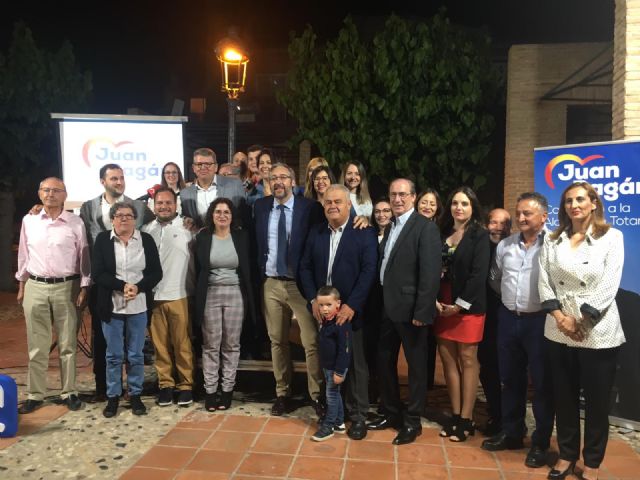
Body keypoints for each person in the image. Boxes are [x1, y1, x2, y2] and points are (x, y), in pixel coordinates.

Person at [539, 182, 625, 480]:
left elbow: (609, 283)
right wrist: (560, 317)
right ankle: (566, 455)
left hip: (597, 331)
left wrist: (581, 321)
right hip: (558, 329)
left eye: (579, 199)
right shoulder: (552, 239)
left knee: (597, 404)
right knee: (564, 399)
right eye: (568, 201)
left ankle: (592, 463)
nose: (573, 205)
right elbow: (544, 280)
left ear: (593, 203)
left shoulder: (612, 237)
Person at [482, 194, 554, 470]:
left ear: (544, 217)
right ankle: (512, 432)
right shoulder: (506, 245)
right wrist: (511, 300)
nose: (521, 218)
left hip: (540, 321)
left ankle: (541, 442)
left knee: (542, 384)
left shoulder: (554, 244)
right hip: (509, 319)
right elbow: (495, 279)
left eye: (528, 213)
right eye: (519, 213)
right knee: (510, 379)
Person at [300, 184, 378, 440]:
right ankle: (336, 414)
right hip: (324, 313)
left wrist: (352, 305)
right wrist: (313, 299)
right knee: (331, 361)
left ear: (349, 205)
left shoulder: (363, 232)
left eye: (338, 202)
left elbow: (369, 271)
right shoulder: (316, 232)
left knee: (355, 365)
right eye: (328, 202)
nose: (332, 206)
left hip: (352, 311)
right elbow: (305, 267)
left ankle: (359, 415)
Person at [367, 178, 441, 445]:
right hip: (387, 308)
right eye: (393, 194)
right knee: (384, 360)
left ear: (413, 197)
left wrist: (423, 311)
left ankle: (413, 421)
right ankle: (390, 411)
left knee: (416, 368)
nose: (397, 199)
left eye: (402, 194)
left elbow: (430, 274)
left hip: (412, 311)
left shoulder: (425, 227)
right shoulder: (391, 226)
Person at [253, 163, 325, 417]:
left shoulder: (309, 208)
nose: (278, 182)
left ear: (293, 181)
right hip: (271, 283)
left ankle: (317, 395)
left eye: (283, 177)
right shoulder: (261, 207)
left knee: (311, 341)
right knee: (277, 340)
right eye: (273, 178)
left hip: (300, 284)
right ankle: (282, 393)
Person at [80, 163, 154, 401]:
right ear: (103, 181)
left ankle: (134, 392)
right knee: (103, 342)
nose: (119, 182)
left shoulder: (138, 207)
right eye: (114, 178)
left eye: (121, 177)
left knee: (134, 348)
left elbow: (156, 224)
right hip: (102, 283)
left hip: (135, 286)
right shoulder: (88, 207)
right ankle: (106, 390)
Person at [15, 177, 90, 413]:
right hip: (35, 286)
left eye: (56, 190)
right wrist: (21, 285)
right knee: (37, 345)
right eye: (46, 190)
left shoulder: (76, 222)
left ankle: (69, 392)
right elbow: (24, 255)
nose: (51, 194)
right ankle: (35, 394)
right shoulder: (29, 220)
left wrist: (85, 287)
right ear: (39, 193)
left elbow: (84, 257)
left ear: (65, 195)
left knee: (67, 344)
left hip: (67, 287)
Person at [91, 202, 162, 418]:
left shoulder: (145, 240)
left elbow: (156, 272)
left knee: (135, 354)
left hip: (138, 305)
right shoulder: (103, 240)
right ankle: (113, 396)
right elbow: (98, 273)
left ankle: (135, 394)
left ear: (135, 219)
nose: (124, 219)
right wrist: (122, 286)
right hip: (111, 306)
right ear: (112, 219)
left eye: (129, 215)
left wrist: (138, 287)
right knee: (113, 355)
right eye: (119, 215)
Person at [434, 186, 490, 442]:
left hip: (467, 306)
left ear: (473, 207)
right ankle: (455, 415)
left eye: (464, 203)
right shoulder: (442, 231)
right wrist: (434, 301)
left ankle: (467, 419)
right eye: (455, 203)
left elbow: (479, 275)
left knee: (468, 360)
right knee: (448, 360)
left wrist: (458, 305)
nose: (459, 208)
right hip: (441, 304)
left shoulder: (480, 234)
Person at [195, 197, 256, 412]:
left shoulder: (242, 237)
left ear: (232, 216)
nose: (222, 215)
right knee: (211, 345)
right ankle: (211, 391)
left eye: (226, 212)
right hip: (210, 293)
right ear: (212, 215)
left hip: (235, 293)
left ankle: (227, 390)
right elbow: (198, 268)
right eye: (218, 211)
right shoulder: (203, 237)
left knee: (231, 344)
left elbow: (248, 266)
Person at [142, 188, 195, 407]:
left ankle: (186, 385)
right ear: (153, 205)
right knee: (160, 345)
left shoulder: (187, 228)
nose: (164, 206)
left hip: (179, 294)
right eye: (159, 203)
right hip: (154, 296)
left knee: (182, 344)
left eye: (168, 203)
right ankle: (165, 385)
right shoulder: (146, 230)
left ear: (176, 204)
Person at [478, 207, 512, 436]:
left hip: (508, 316)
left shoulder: (514, 248)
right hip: (485, 316)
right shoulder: (480, 246)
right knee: (488, 366)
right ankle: (495, 413)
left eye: (504, 224)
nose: (498, 227)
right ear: (486, 224)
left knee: (509, 369)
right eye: (494, 222)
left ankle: (510, 416)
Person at [310, 286, 352, 442]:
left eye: (328, 305)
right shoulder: (326, 322)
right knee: (335, 394)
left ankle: (328, 426)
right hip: (328, 367)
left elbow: (345, 350)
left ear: (338, 304)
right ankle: (339, 423)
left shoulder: (341, 324)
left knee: (331, 396)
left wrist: (340, 371)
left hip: (336, 368)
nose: (324, 309)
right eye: (321, 305)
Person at [416, 188, 444, 390]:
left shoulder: (441, 230)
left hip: (437, 292)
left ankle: (426, 386)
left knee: (429, 342)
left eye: (432, 204)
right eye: (424, 202)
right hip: (415, 292)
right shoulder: (409, 227)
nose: (427, 206)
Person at [180, 147, 246, 228]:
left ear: (216, 167)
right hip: (198, 236)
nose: (203, 167)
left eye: (208, 164)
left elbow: (244, 217)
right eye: (199, 164)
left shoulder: (235, 185)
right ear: (193, 168)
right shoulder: (185, 194)